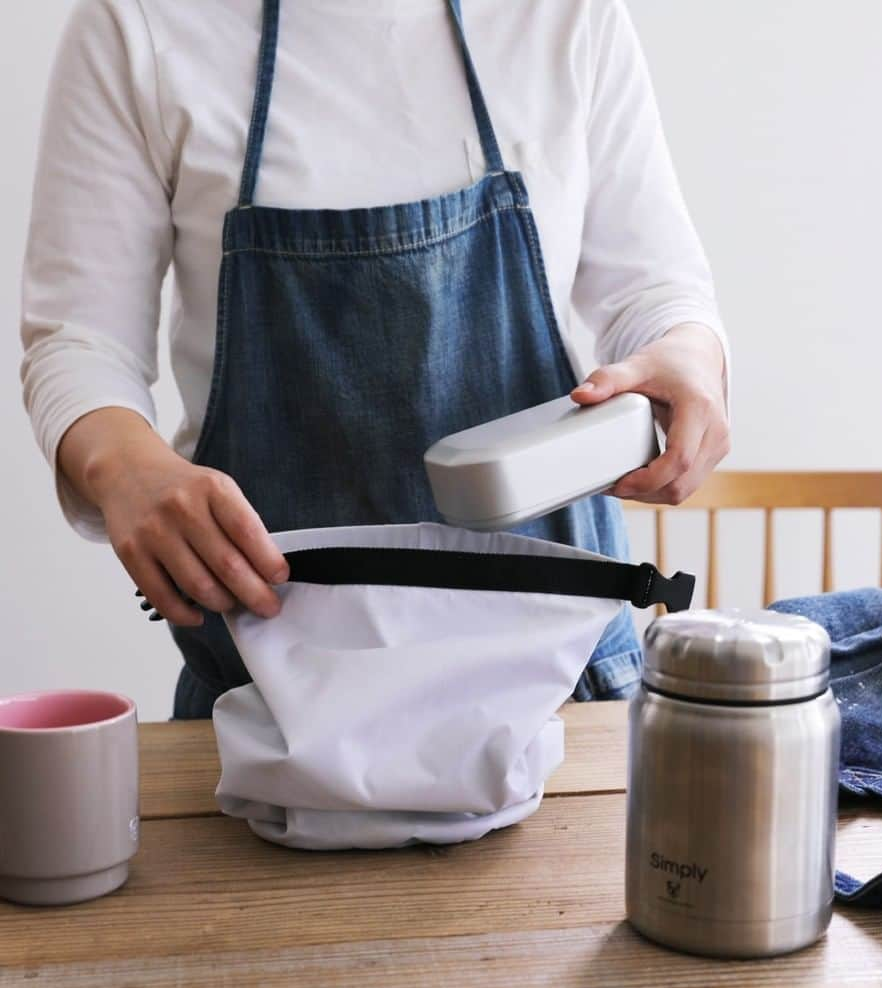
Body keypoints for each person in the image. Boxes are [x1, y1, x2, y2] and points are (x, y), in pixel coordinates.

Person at [20, 0, 730, 717]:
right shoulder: (140, 23)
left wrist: (688, 355)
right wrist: (124, 467)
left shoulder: (566, 15)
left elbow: (653, 288)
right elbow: (80, 341)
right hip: (270, 713)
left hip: (560, 697)